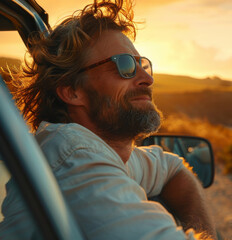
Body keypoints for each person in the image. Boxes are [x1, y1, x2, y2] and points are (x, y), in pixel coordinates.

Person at [0, 0, 216, 239]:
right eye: (124, 65)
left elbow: (174, 168)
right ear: (72, 91)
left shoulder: (108, 152)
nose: (147, 78)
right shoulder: (75, 157)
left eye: (141, 64)